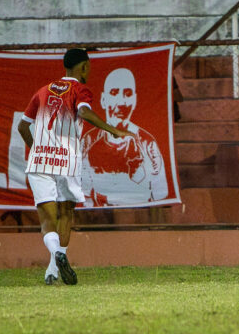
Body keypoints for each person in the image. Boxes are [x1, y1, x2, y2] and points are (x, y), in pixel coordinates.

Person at [17, 48, 133, 285]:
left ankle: (53, 265)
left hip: (40, 161)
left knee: (47, 221)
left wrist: (37, 147)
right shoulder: (79, 90)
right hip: (66, 161)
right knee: (66, 214)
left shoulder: (42, 91)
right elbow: (84, 111)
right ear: (83, 67)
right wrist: (112, 129)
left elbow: (22, 127)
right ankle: (59, 258)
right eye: (88, 67)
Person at [81, 68, 168, 206]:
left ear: (134, 100)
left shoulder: (147, 143)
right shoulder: (89, 141)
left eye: (127, 94)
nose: (121, 102)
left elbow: (160, 193)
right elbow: (82, 193)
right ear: (104, 100)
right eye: (114, 93)